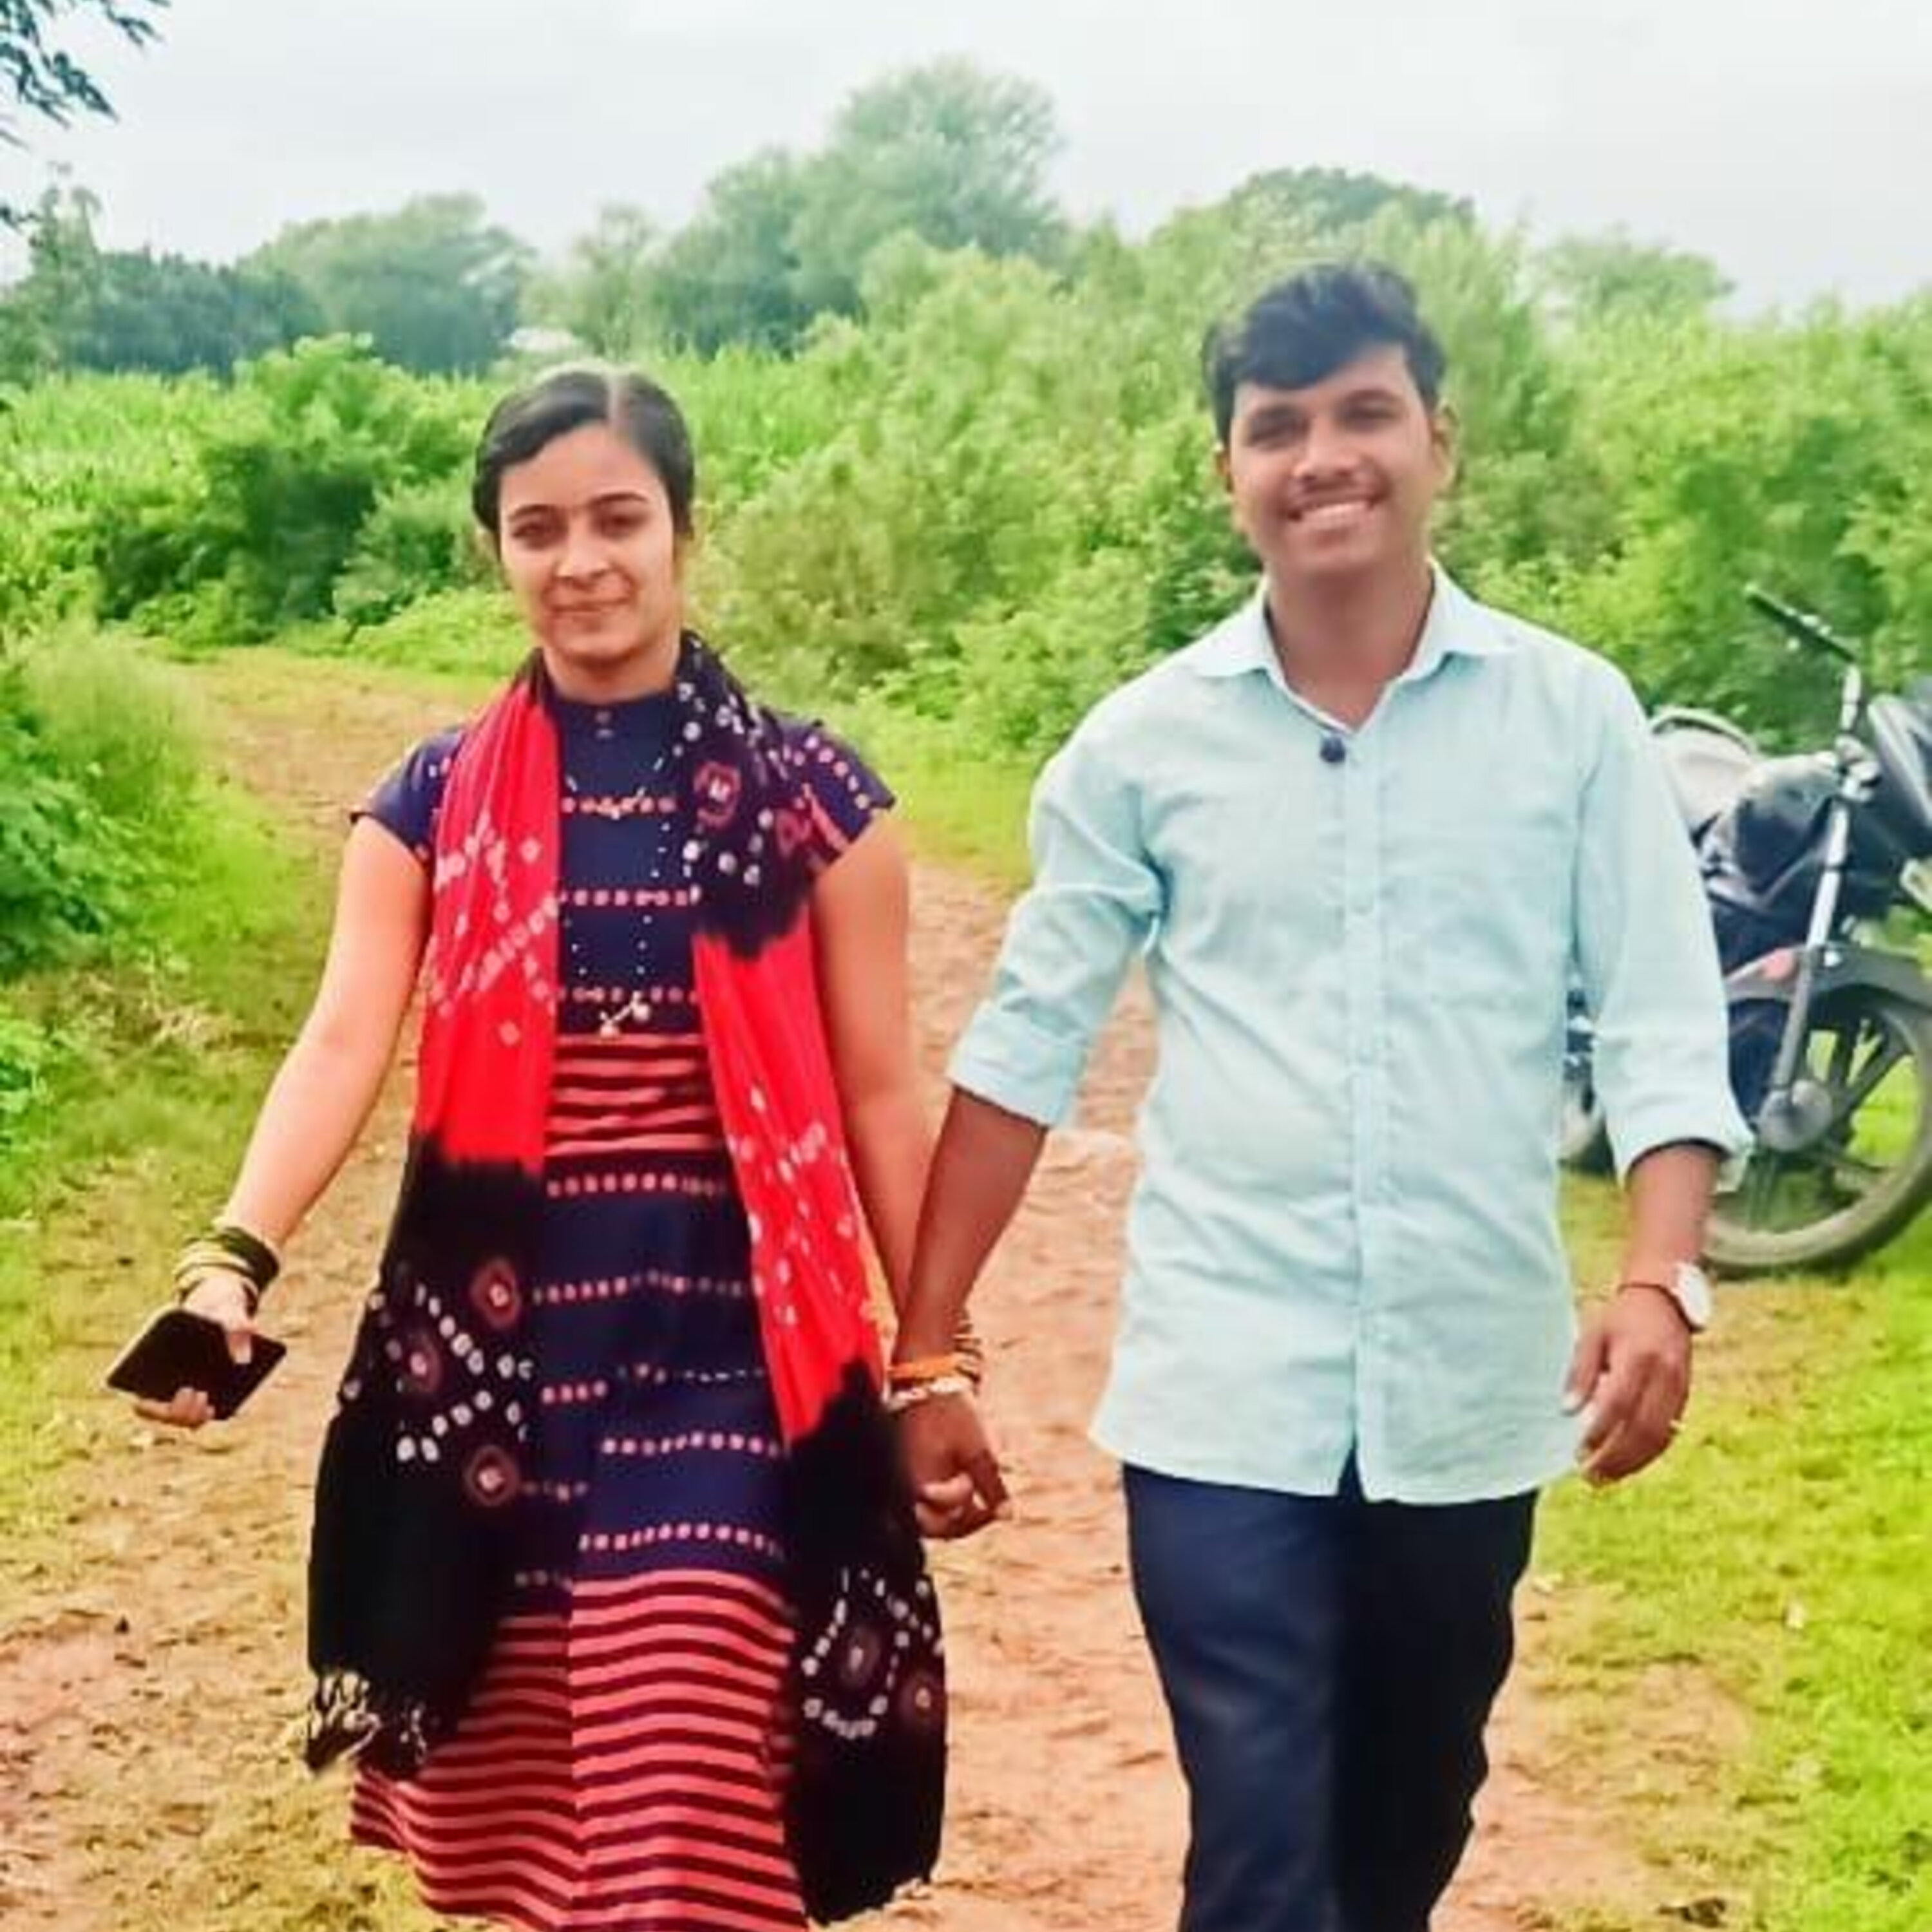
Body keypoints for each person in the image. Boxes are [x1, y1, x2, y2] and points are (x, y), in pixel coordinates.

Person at [889, 263, 1748, 1932]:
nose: (1323, 458)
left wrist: (1660, 1275)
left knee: (1405, 1828)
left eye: (1365, 414)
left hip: (1468, 1388)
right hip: (1224, 1396)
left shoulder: (1571, 721)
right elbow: (1022, 1046)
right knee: (1264, 1850)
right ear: (1229, 469)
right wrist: (927, 1347)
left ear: (1441, 440)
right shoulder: (1145, 747)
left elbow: (1660, 1013)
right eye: (1278, 427)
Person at [131, 365, 948, 1931]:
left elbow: (879, 1097)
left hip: (734, 1366)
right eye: (538, 529)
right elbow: (342, 1041)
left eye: (618, 520)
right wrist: (230, 1258)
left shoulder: (817, 803)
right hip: (494, 1376)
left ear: (686, 528)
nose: (582, 561)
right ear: (494, 550)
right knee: (541, 1821)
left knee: (690, 1777)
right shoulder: (432, 804)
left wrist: (933, 1353)